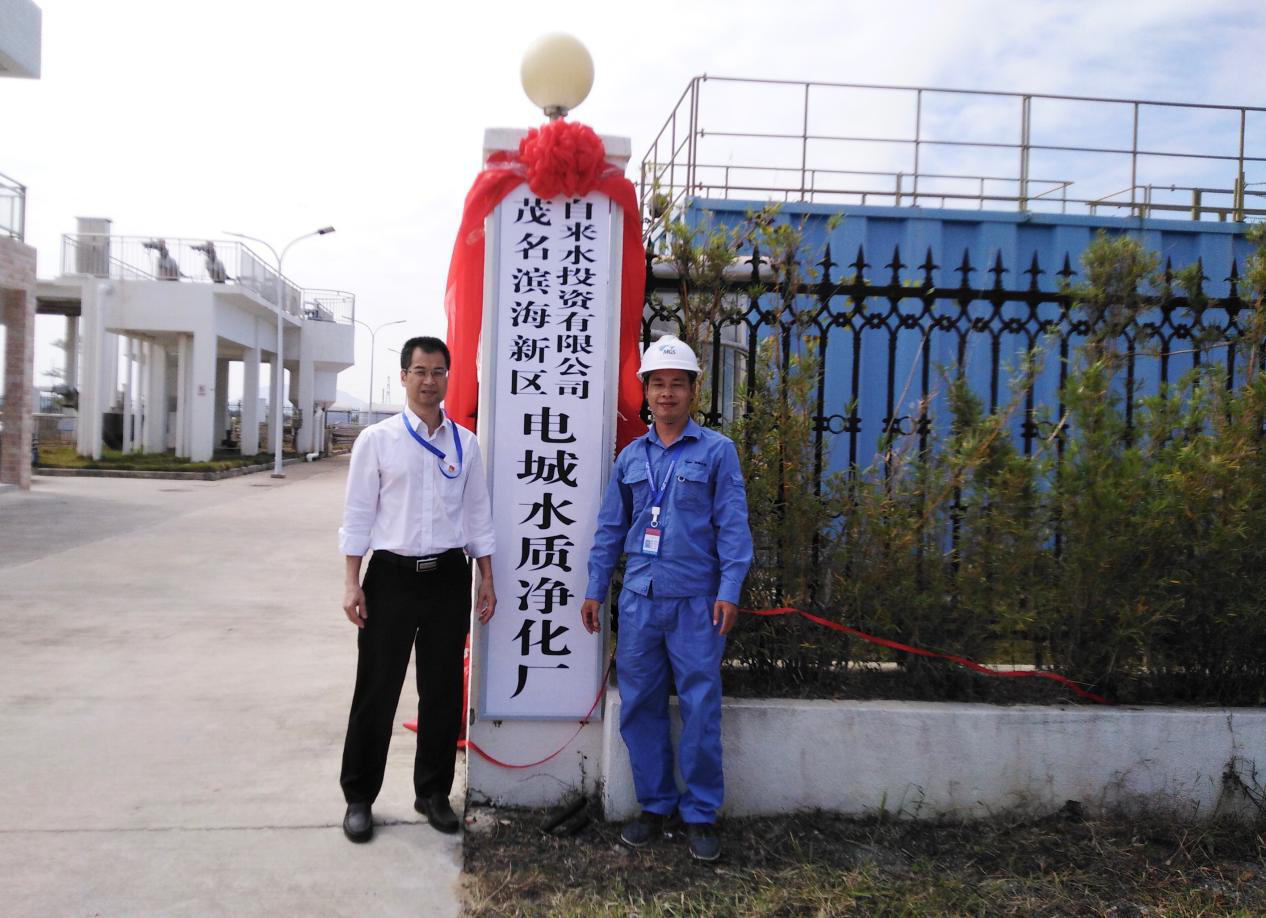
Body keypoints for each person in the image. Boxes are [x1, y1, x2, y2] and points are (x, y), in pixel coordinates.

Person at [580, 335, 753, 862]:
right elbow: (610, 528)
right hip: (639, 601)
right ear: (646, 392)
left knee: (700, 708)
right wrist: (595, 588)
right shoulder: (631, 457)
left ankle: (700, 813)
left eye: (678, 384)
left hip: (697, 602)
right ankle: (654, 805)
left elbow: (733, 526)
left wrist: (729, 589)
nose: (667, 393)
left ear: (693, 391)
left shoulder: (718, 452)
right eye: (658, 384)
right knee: (640, 706)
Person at [337, 335, 496, 843]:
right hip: (391, 577)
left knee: (443, 692)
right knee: (376, 690)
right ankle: (359, 797)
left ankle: (432, 793)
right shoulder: (377, 440)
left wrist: (486, 576)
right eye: (421, 371)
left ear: (449, 377)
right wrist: (352, 581)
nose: (430, 381)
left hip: (448, 576)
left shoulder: (465, 444)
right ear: (404, 376)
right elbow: (358, 515)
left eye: (439, 372)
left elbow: (478, 515)